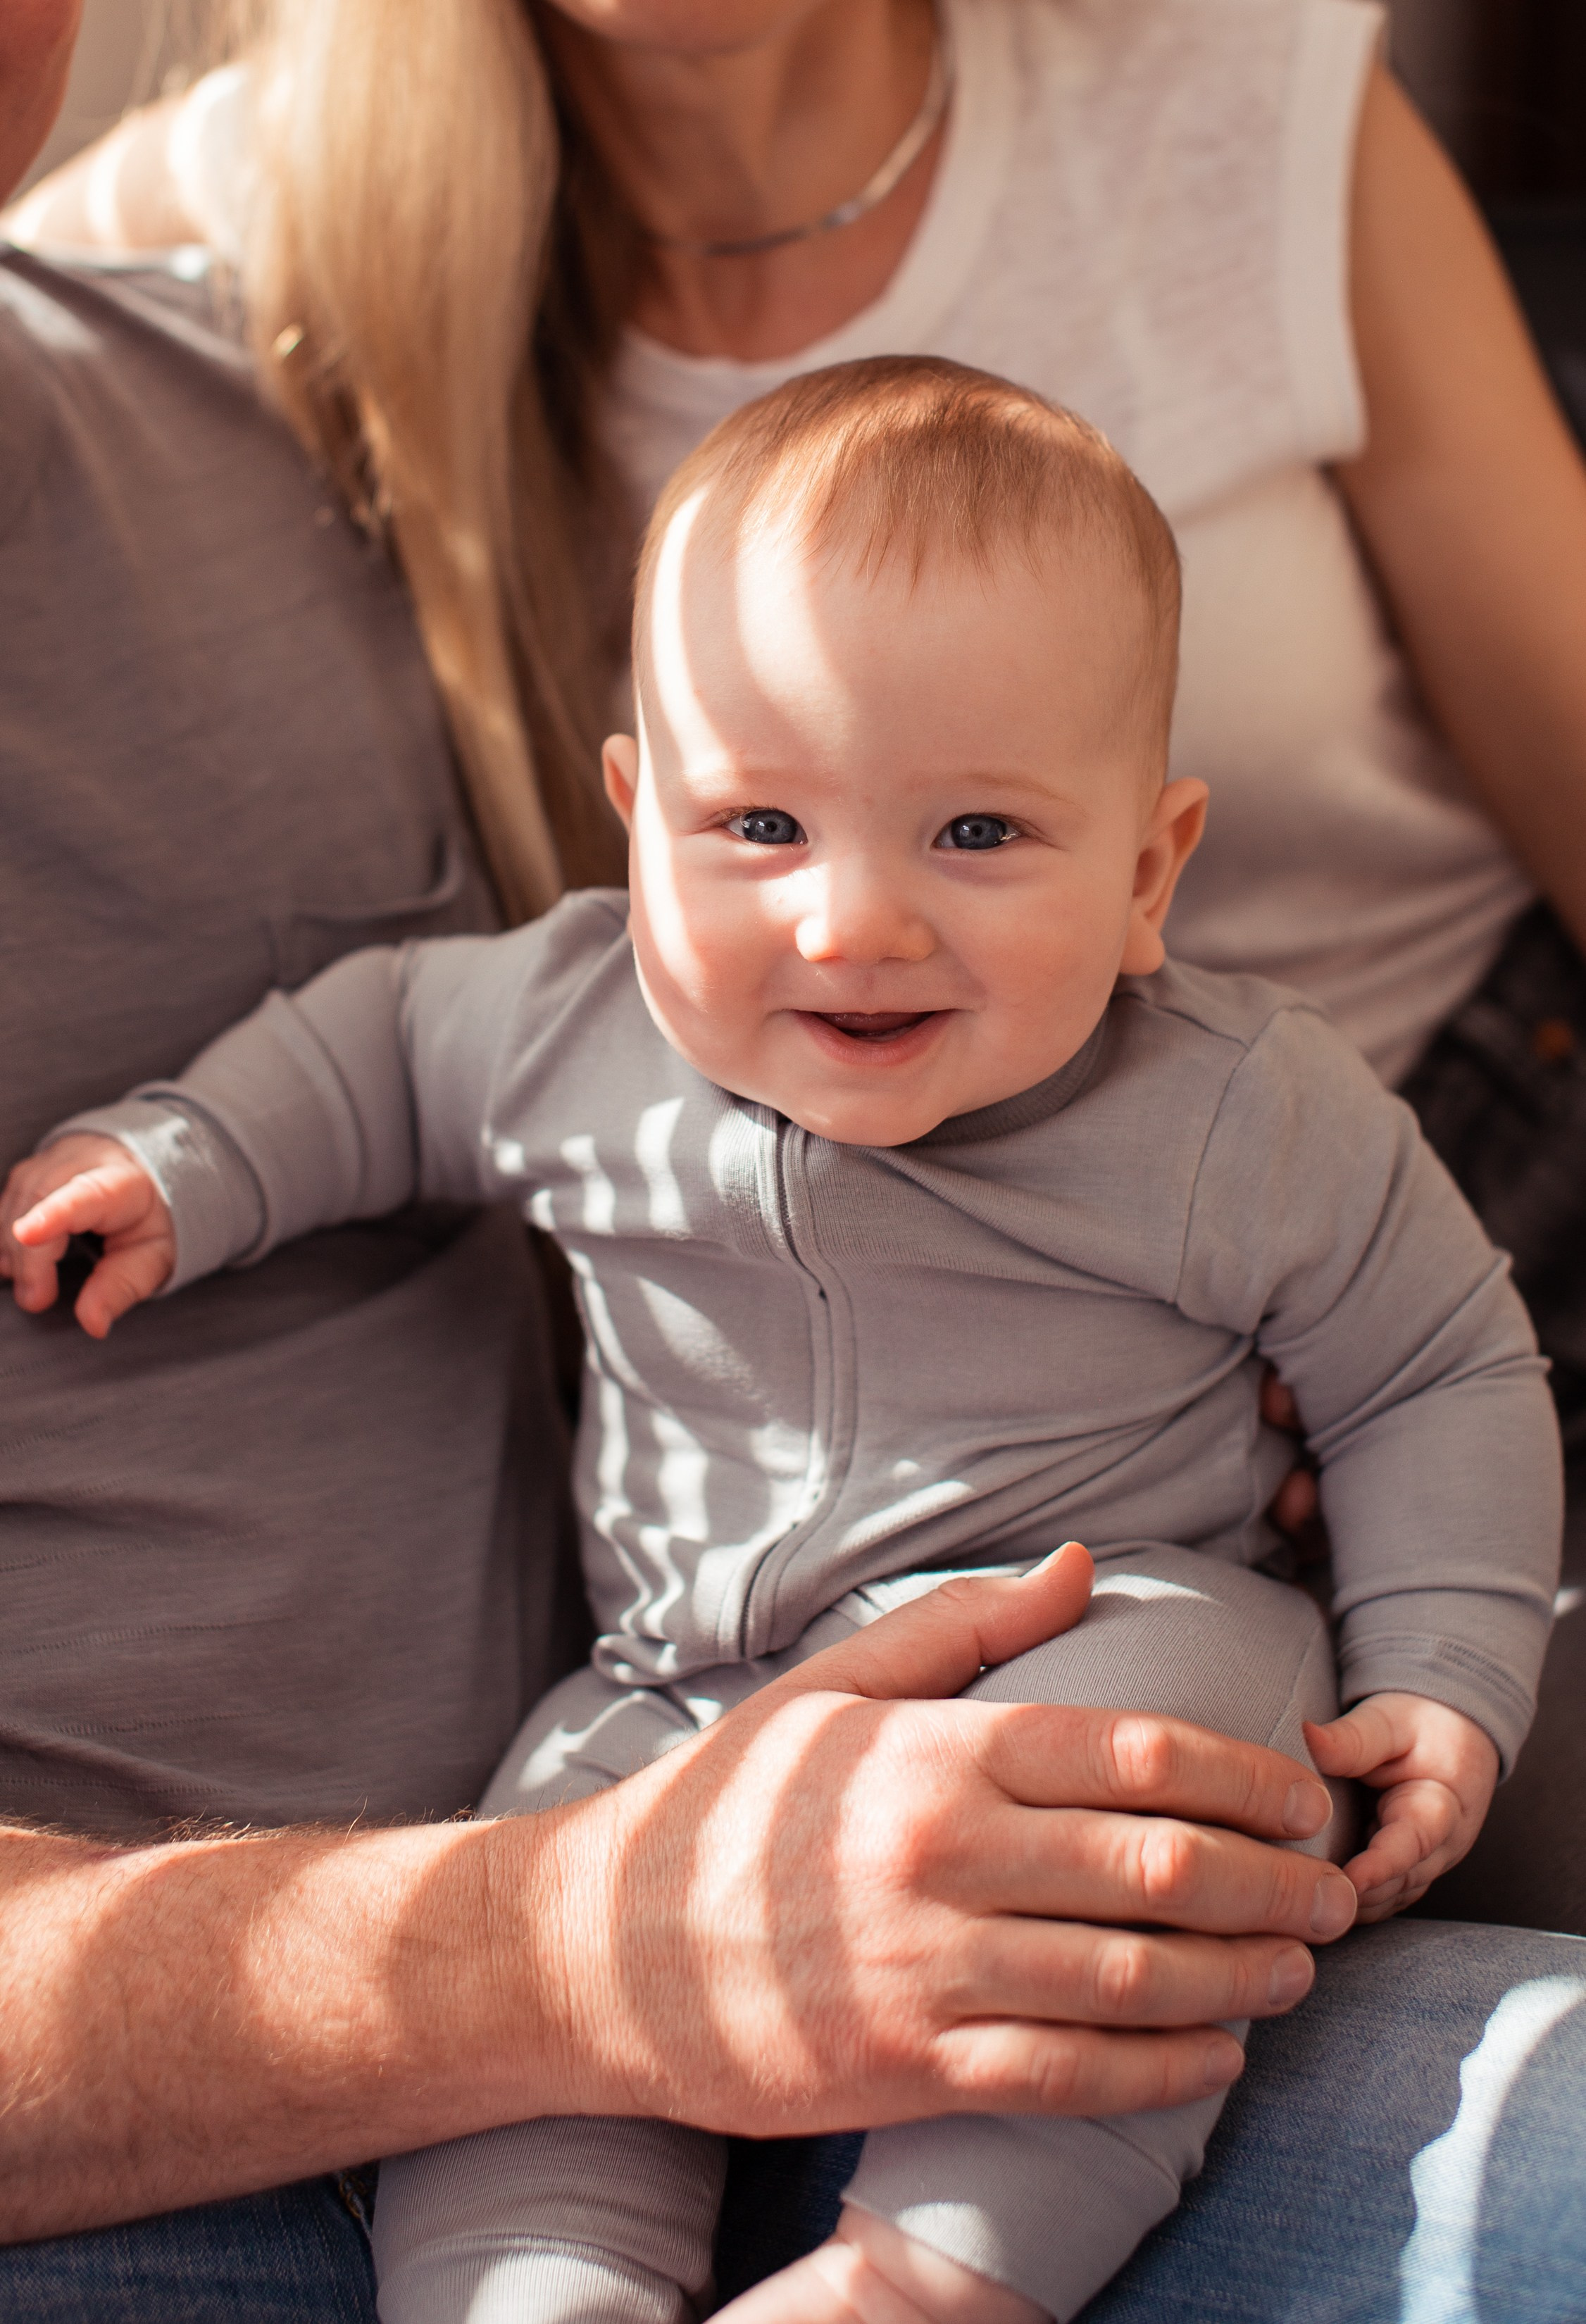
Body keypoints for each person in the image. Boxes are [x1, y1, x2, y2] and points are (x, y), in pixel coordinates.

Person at [2, 1, 1583, 2314]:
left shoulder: (1240, 1108)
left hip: (1104, 1601)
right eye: (756, 829)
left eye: (976, 836)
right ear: (634, 819)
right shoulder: (571, 1009)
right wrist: (185, 1153)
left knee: (1136, 1808)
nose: (850, 922)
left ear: (1153, 874)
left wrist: (1438, 1662)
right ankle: (535, 2282)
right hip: (655, 1708)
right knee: (547, 1945)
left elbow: (1438, 1368)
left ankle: (938, 2265)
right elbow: (375, 1055)